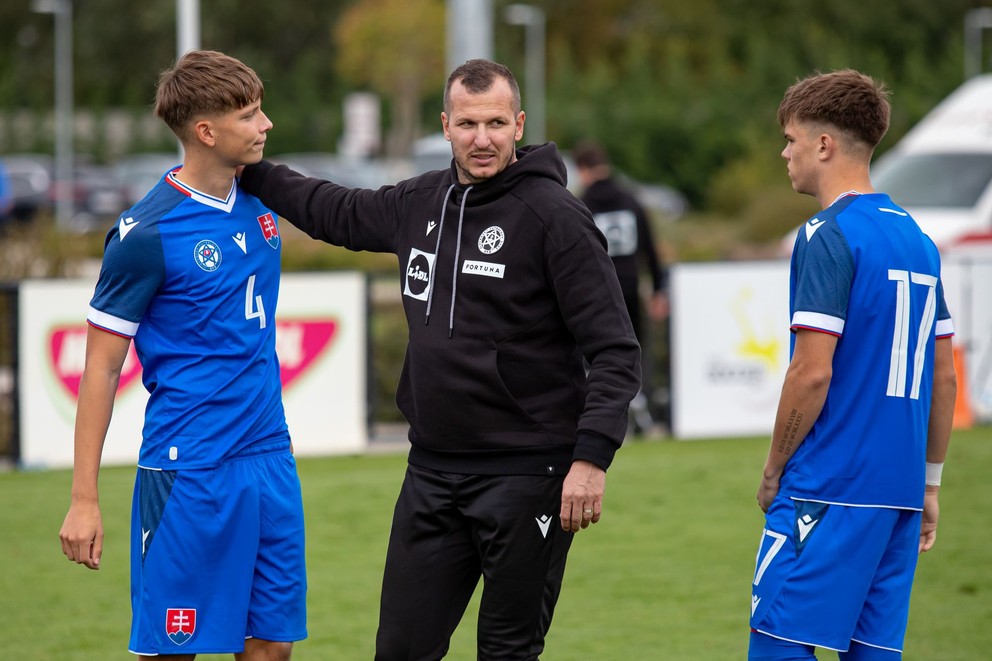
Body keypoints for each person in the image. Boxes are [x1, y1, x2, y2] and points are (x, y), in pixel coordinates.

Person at [239, 58, 640, 660]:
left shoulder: (555, 217)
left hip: (528, 477)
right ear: (446, 125)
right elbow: (336, 211)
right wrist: (251, 171)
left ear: (519, 124)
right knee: (400, 649)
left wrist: (591, 459)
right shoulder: (421, 201)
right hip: (431, 472)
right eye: (469, 124)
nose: (483, 139)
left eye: (497, 123)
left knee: (506, 651)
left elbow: (614, 349)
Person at [58, 50, 307, 660]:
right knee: (174, 650)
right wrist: (84, 499)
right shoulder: (146, 234)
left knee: (273, 647)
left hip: (269, 456)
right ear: (206, 132)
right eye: (250, 115)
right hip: (188, 470)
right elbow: (100, 368)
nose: (265, 125)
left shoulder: (264, 198)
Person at [749, 69, 957, 660]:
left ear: (823, 145)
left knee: (776, 645)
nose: (784, 152)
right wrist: (930, 485)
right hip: (900, 493)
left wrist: (774, 466)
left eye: (790, 138)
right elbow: (944, 378)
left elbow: (811, 373)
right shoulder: (919, 240)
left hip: (829, 487)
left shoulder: (827, 235)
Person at [574, 141, 669, 435]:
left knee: (597, 357)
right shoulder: (631, 199)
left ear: (583, 170)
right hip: (629, 287)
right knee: (633, 354)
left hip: (595, 293)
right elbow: (650, 249)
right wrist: (657, 289)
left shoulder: (582, 202)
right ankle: (641, 413)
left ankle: (605, 419)